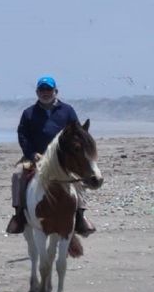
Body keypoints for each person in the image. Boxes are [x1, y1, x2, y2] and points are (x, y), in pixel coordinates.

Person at [6, 76, 96, 236]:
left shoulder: (67, 110)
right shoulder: (28, 113)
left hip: (62, 159)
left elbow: (77, 133)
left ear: (56, 91)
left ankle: (81, 216)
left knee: (79, 176)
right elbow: (23, 135)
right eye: (42, 90)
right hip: (35, 157)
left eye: (49, 89)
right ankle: (19, 215)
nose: (45, 93)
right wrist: (32, 154)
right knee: (18, 175)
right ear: (37, 92)